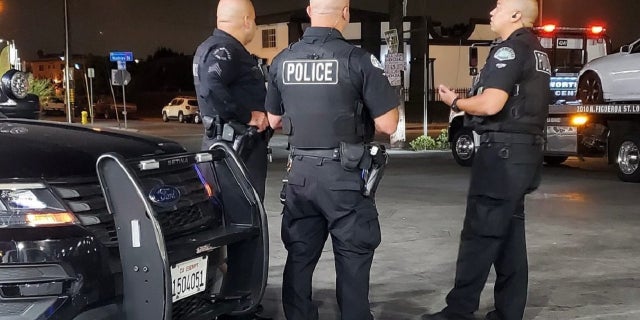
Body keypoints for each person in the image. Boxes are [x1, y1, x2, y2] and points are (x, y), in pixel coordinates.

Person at [264, 0, 399, 318]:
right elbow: (388, 125)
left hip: (299, 175)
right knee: (352, 258)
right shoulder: (359, 60)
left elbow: (272, 120)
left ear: (310, 11)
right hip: (344, 176)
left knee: (299, 256)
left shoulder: (282, 60)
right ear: (346, 13)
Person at [422, 0, 551, 320]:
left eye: (499, 6)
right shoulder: (538, 51)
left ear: (516, 15)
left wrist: (457, 101)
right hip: (525, 153)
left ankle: (458, 311)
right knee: (509, 236)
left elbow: (493, 103)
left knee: (479, 235)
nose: (492, 12)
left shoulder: (510, 50)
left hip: (502, 155)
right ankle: (509, 312)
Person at [193, 0, 270, 201]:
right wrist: (247, 116)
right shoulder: (226, 50)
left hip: (223, 147)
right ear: (246, 21)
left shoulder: (207, 47)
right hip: (237, 152)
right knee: (244, 215)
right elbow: (211, 85)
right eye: (254, 20)